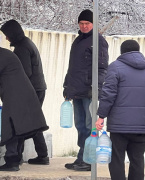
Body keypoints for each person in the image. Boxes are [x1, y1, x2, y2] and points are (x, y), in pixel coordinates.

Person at [0, 33, 49, 171]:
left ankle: (11, 162)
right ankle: (15, 159)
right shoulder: (3, 54)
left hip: (16, 96)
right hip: (22, 94)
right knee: (17, 127)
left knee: (10, 126)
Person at [63, 9, 109, 171]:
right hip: (76, 90)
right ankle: (82, 157)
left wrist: (95, 88)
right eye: (81, 23)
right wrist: (66, 85)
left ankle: (90, 161)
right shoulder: (78, 41)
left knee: (90, 127)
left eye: (87, 23)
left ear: (93, 24)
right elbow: (73, 67)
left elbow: (102, 68)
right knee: (80, 125)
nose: (84, 26)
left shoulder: (99, 41)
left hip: (89, 92)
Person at [0, 19, 49, 165]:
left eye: (7, 35)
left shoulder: (22, 48)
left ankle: (21, 156)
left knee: (24, 123)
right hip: (37, 88)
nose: (7, 38)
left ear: (13, 33)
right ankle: (41, 155)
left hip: (32, 89)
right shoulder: (27, 43)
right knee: (32, 122)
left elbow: (24, 72)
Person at [96, 40, 145, 180]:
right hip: (141, 126)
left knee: (117, 159)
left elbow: (108, 94)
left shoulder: (115, 67)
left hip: (119, 126)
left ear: (122, 51)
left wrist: (101, 116)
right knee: (137, 160)